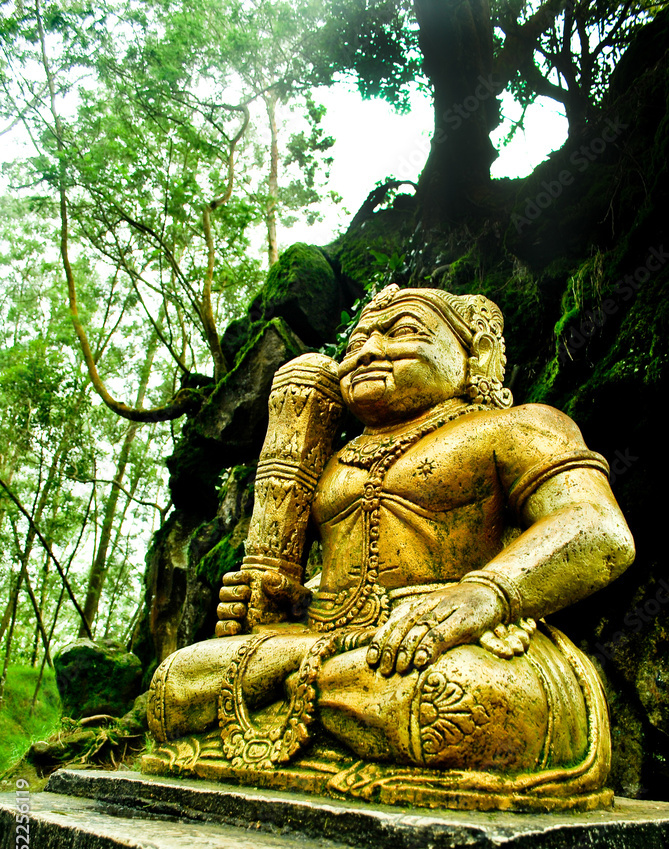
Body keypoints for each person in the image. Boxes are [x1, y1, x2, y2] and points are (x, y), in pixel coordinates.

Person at [146, 284, 634, 805]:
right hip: (327, 642)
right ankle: (332, 706)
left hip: (445, 641)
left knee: (457, 699)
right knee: (173, 683)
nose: (369, 351)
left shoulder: (517, 427)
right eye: (355, 343)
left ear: (475, 357)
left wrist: (486, 594)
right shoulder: (331, 463)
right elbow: (340, 573)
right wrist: (285, 598)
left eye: (400, 331)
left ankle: (317, 701)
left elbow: (598, 527)